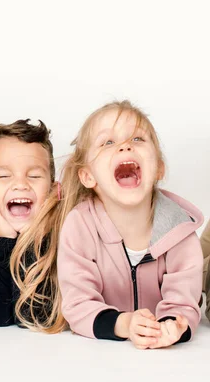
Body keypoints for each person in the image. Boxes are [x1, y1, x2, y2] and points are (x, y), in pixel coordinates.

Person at [56, 100, 203, 349]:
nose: (125, 147)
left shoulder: (180, 229)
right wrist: (123, 323)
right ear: (87, 176)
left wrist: (172, 327)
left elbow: (185, 301)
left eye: (137, 139)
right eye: (108, 142)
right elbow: (77, 303)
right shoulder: (79, 225)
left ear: (158, 168)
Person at [0, 119, 62, 332]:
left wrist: (31, 237)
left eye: (34, 176)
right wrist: (6, 241)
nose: (20, 184)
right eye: (4, 176)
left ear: (53, 191)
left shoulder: (62, 231)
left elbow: (39, 314)